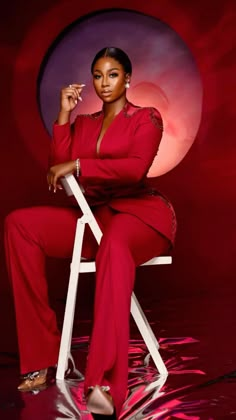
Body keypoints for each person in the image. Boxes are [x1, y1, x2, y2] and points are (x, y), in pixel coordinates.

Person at [4, 47, 176, 419]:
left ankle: (103, 383)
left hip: (140, 216)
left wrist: (80, 163)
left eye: (112, 74)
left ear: (127, 78)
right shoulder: (83, 124)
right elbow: (56, 171)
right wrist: (64, 115)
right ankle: (42, 360)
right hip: (93, 217)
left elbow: (133, 170)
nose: (104, 83)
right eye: (98, 75)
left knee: (113, 245)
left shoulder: (147, 118)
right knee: (19, 224)